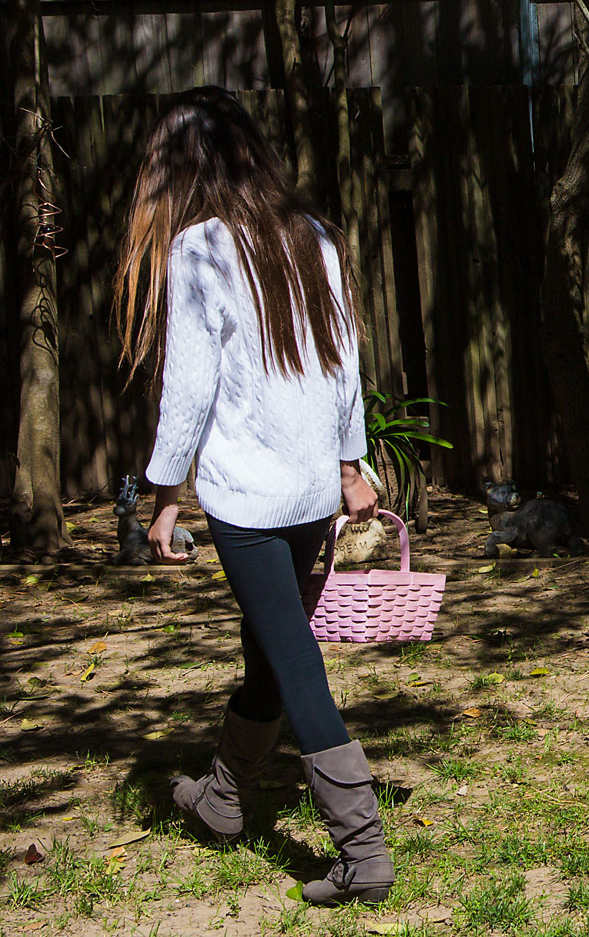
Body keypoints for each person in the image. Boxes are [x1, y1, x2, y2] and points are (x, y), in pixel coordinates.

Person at [114, 87, 393, 906]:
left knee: (292, 655)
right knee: (270, 647)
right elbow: (346, 361)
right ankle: (226, 797)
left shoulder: (200, 248)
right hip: (308, 488)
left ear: (184, 168)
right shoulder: (312, 236)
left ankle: (363, 850)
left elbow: (187, 386)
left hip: (247, 502)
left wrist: (167, 493)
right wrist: (350, 462)